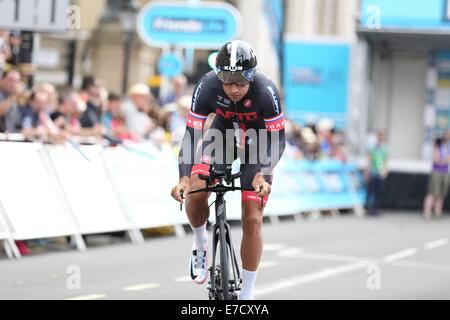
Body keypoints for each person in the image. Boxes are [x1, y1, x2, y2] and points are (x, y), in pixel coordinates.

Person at [170, 40, 286, 300]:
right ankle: (200, 242)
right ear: (218, 76)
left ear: (251, 77)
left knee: (252, 217)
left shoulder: (266, 90)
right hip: (221, 136)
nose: (233, 89)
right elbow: (191, 135)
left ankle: (246, 294)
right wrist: (183, 178)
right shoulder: (207, 85)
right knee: (197, 189)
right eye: (227, 81)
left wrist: (262, 171)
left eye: (240, 83)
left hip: (258, 144)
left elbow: (278, 139)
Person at [423, 136, 450, 219]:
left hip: (446, 172)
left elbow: (447, 160)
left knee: (441, 194)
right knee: (432, 193)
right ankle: (427, 211)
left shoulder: (447, 148)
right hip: (437, 172)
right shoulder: (437, 146)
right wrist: (444, 159)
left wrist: (443, 159)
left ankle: (438, 212)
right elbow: (435, 159)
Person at [364, 130, 389, 216]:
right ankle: (368, 208)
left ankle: (375, 208)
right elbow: (369, 160)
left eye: (382, 136)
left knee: (378, 192)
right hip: (373, 172)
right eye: (380, 136)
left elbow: (386, 160)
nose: (381, 138)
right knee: (371, 191)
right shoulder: (373, 147)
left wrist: (385, 171)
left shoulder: (385, 148)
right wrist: (367, 171)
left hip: (380, 172)